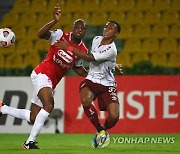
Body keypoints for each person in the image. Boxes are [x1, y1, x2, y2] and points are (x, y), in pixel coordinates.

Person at [0, 4, 88, 149]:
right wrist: (54, 21)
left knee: (34, 118)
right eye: (77, 27)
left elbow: (78, 68)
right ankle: (29, 143)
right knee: (49, 105)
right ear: (73, 28)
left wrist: (91, 76)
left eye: (82, 28)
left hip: (51, 82)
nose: (79, 30)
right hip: (42, 73)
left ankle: (3, 109)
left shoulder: (83, 49)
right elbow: (40, 35)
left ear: (85, 32)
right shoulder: (60, 35)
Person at [56, 20, 122, 148]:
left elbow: (90, 58)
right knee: (85, 99)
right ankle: (100, 130)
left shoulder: (112, 49)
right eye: (105, 26)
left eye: (110, 28)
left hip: (107, 83)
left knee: (114, 117)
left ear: (116, 34)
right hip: (91, 78)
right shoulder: (96, 39)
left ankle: (103, 129)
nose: (106, 29)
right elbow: (97, 57)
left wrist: (68, 48)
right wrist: (113, 64)